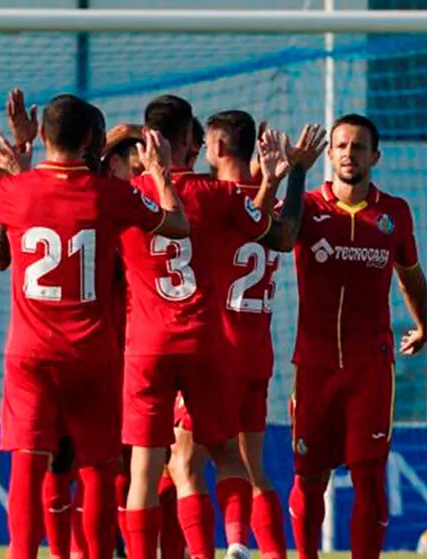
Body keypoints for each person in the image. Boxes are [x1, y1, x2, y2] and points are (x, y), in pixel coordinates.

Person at [0, 93, 189, 559]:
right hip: (93, 355)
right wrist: (159, 172)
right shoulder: (110, 193)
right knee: (98, 470)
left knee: (28, 468)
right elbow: (176, 224)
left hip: (30, 354)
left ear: (44, 136)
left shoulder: (17, 190)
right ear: (92, 139)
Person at [119, 95, 308, 559]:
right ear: (188, 140)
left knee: (153, 469)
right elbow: (276, 232)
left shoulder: (119, 196)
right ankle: (237, 544)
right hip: (214, 343)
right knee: (233, 458)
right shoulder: (220, 197)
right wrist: (285, 176)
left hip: (146, 346)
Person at [288, 114, 427, 559]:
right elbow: (277, 236)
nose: (350, 153)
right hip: (314, 366)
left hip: (370, 367)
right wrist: (291, 172)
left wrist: (423, 322)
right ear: (329, 154)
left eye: (359, 146)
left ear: (375, 156)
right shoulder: (308, 207)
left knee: (369, 475)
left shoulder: (395, 212)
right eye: (342, 146)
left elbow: (409, 274)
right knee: (310, 478)